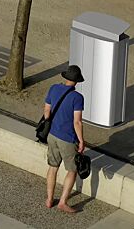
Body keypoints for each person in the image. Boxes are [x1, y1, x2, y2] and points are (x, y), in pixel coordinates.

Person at [43, 64, 85, 213]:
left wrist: (50, 123)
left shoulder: (54, 88)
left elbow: (46, 110)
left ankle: (49, 199)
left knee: (53, 167)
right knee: (72, 170)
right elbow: (77, 122)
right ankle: (62, 202)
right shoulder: (77, 98)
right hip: (68, 139)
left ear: (66, 77)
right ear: (77, 81)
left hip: (52, 135)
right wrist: (81, 140)